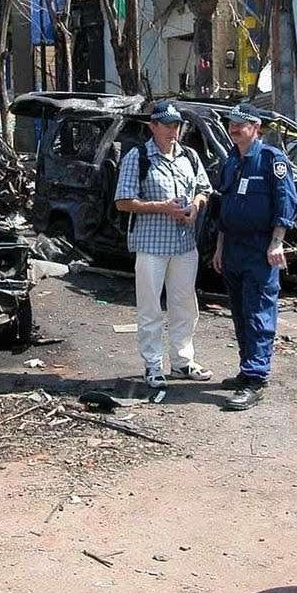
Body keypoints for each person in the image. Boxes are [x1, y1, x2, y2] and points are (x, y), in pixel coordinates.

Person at [114, 100, 213, 388]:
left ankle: (182, 361)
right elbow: (122, 202)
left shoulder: (189, 156)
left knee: (184, 305)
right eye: (167, 125)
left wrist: (195, 206)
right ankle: (153, 364)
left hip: (184, 245)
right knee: (150, 307)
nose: (173, 131)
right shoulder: (138, 157)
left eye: (176, 125)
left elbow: (204, 189)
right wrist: (162, 207)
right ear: (152, 127)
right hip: (151, 246)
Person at [211, 103, 297, 411]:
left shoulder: (272, 160)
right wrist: (220, 249)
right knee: (239, 312)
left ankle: (256, 379)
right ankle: (247, 368)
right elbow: (225, 209)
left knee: (259, 312)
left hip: (260, 249)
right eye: (232, 123)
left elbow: (286, 204)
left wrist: (277, 243)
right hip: (233, 247)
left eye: (241, 124)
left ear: (256, 127)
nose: (234, 128)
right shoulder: (231, 160)